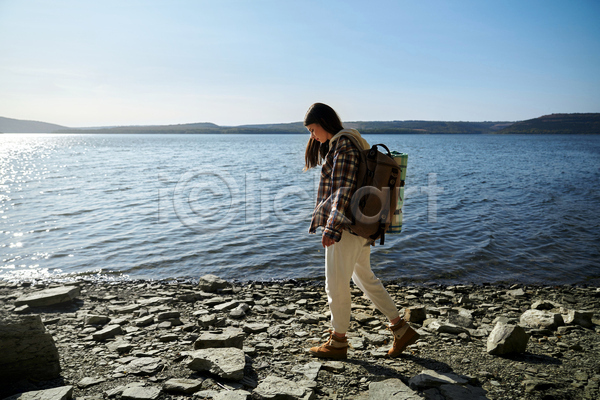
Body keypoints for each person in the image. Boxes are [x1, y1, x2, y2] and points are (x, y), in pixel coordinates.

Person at [303, 102, 419, 359]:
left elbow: (343, 190)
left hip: (347, 225)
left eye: (312, 129)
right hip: (362, 224)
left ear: (324, 123)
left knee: (335, 285)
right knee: (363, 277)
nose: (312, 136)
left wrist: (331, 228)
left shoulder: (343, 145)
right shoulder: (354, 141)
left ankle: (338, 342)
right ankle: (400, 329)